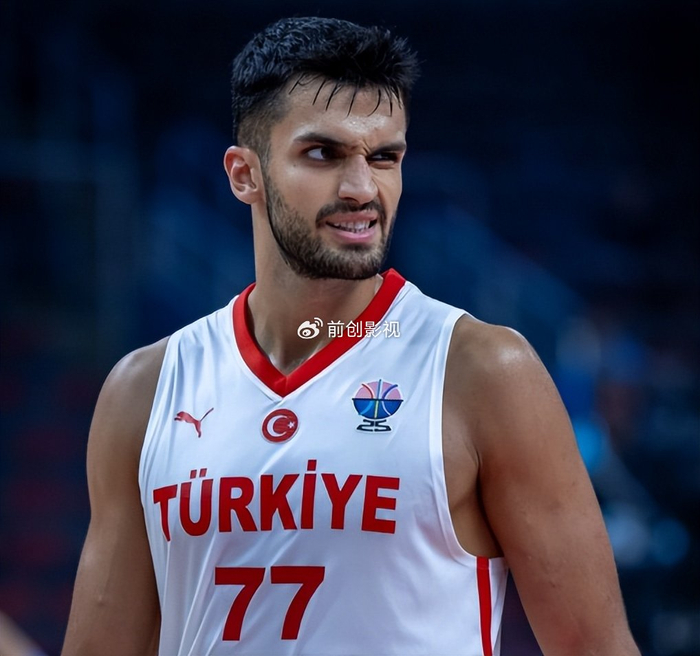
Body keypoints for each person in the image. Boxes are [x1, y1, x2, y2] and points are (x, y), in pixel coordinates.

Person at [61, 16, 640, 656]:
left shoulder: (484, 371)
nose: (362, 188)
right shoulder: (144, 390)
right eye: (323, 153)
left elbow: (596, 647)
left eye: (384, 157)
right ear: (244, 174)